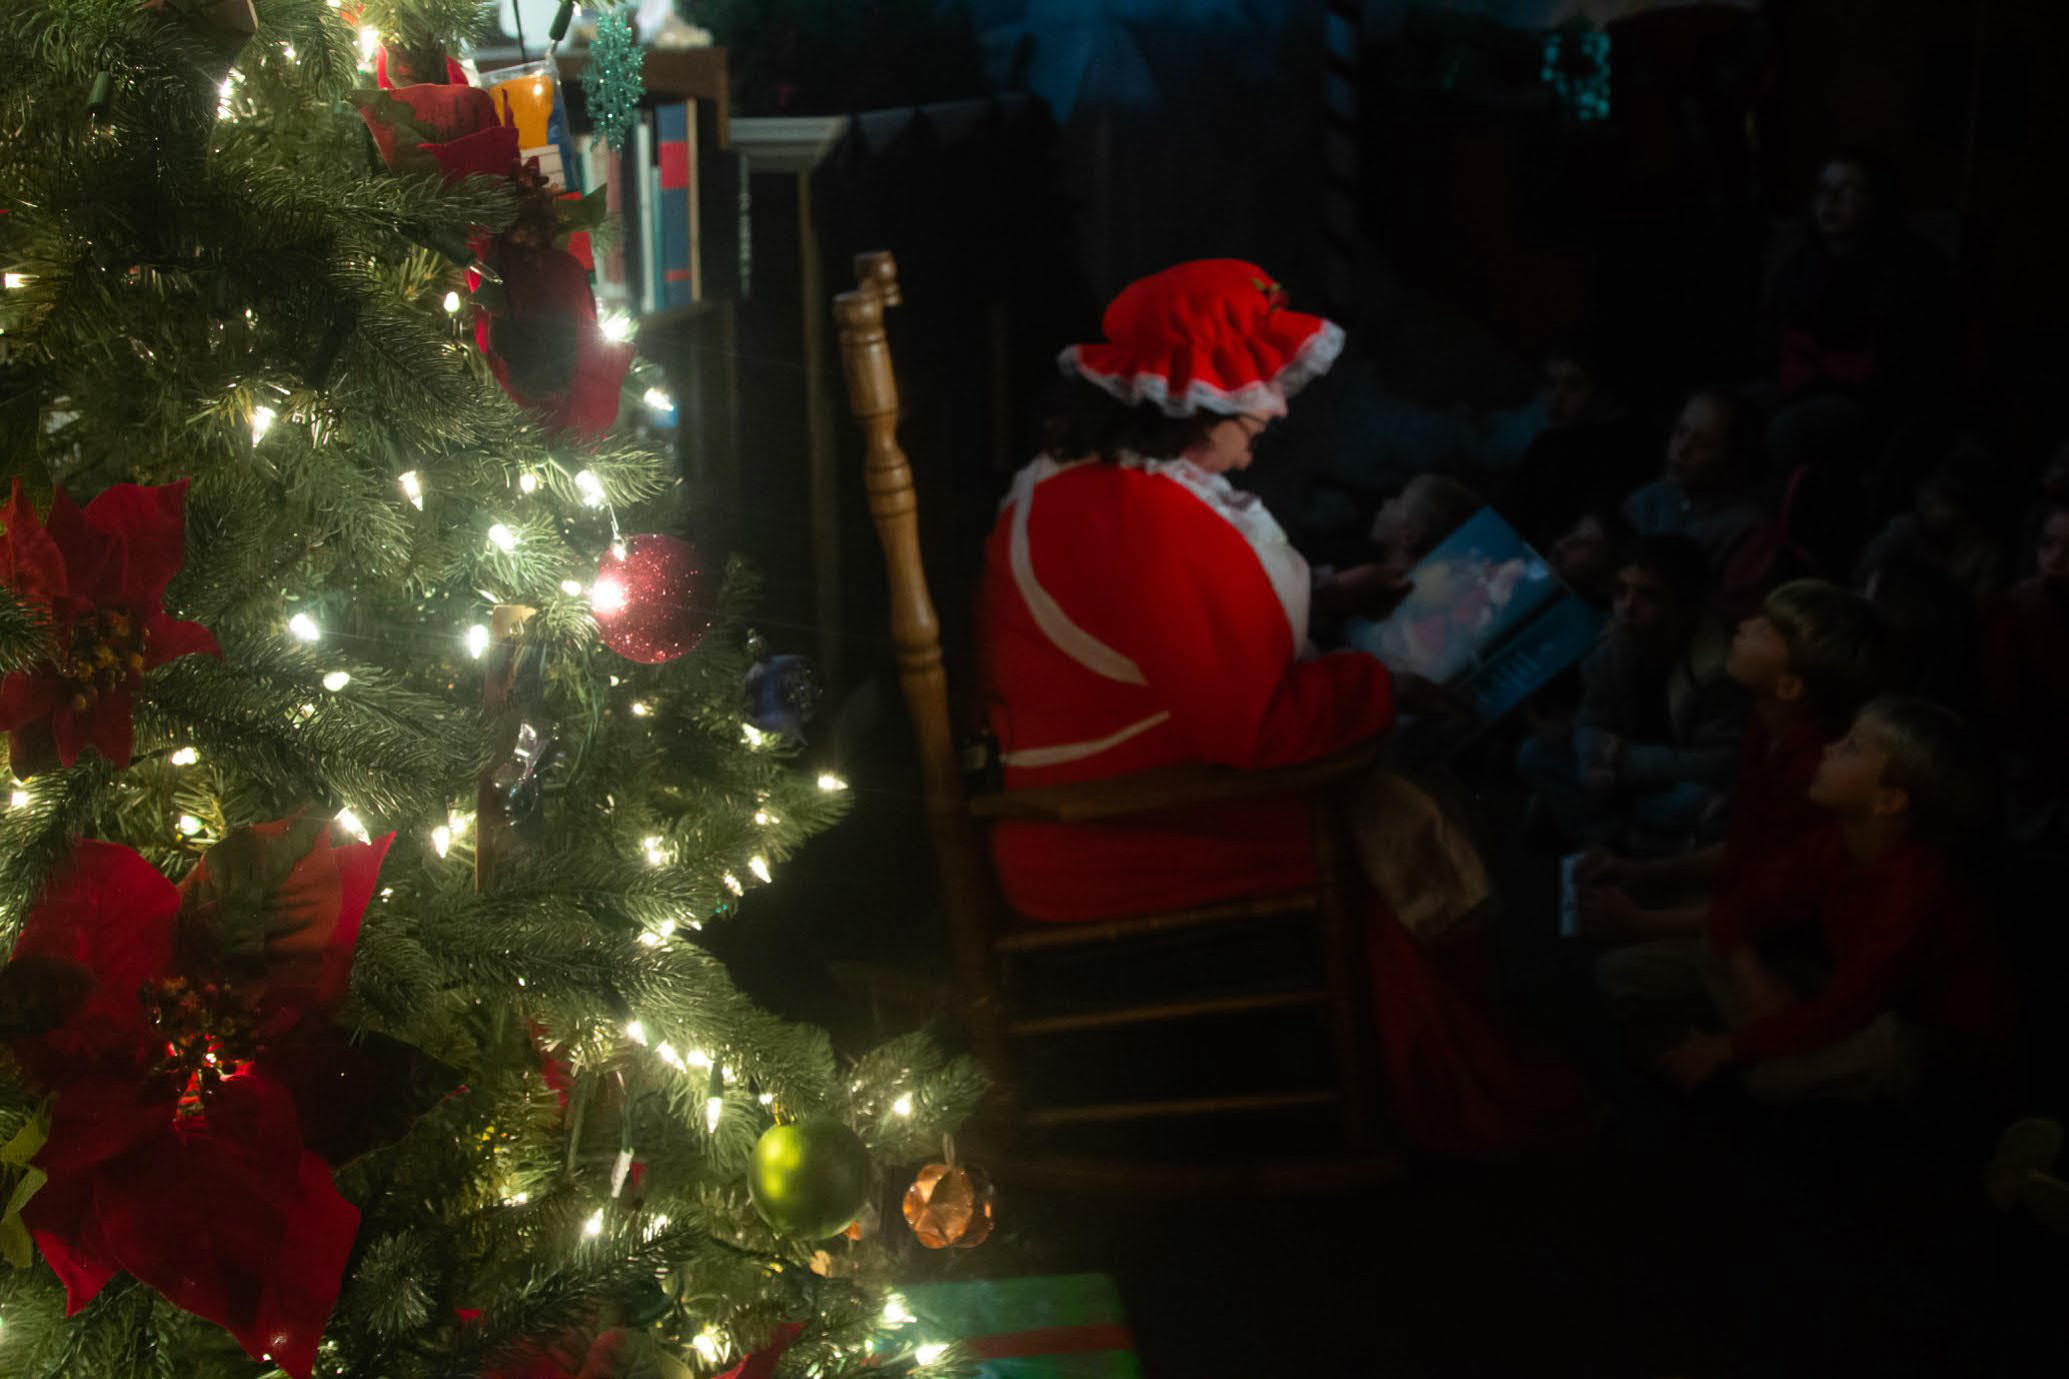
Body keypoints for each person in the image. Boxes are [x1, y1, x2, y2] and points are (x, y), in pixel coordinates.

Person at [978, 259, 1570, 1154]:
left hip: (1110, 797)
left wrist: (1326, 595)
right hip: (1127, 829)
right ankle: (1421, 1095)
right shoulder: (1147, 516)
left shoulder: (1083, 479)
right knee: (1408, 817)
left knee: (1411, 803)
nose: (1278, 407)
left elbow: (1160, 635)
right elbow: (1255, 727)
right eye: (1257, 385)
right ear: (1191, 402)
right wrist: (1380, 684)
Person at [1608, 697, 2010, 1104]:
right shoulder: (1836, 841)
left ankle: (1747, 1067)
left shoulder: (1916, 894)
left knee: (1858, 1054)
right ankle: (1759, 1053)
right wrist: (1749, 974)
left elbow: (1849, 1007)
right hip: (1841, 992)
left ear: (1889, 800)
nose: (1830, 748)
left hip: (1917, 1029)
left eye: (1851, 748)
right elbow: (1742, 902)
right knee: (1701, 950)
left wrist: (1729, 1047)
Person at [1578, 580, 1887, 941]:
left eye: (1766, 631)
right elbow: (1744, 846)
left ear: (1789, 686)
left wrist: (1640, 923)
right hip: (1744, 902)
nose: (1745, 625)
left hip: (1788, 936)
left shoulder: (1815, 774)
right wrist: (1640, 873)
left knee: (1619, 967)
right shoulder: (1764, 725)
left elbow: (1771, 904)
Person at [1517, 533, 1745, 854]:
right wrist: (1593, 753)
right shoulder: (1613, 648)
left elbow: (1721, 761)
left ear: (1684, 606)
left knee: (1694, 803)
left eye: (1648, 595)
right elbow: (1593, 717)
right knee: (1536, 754)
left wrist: (1627, 761)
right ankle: (1615, 840)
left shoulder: (1715, 669)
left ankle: (1648, 846)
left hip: (1667, 780)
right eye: (1621, 591)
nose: (1627, 606)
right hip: (1620, 775)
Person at [1621, 389, 1766, 580]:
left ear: (1733, 457)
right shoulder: (1647, 500)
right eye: (1680, 432)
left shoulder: (1744, 529)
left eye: (1703, 444)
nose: (1682, 449)